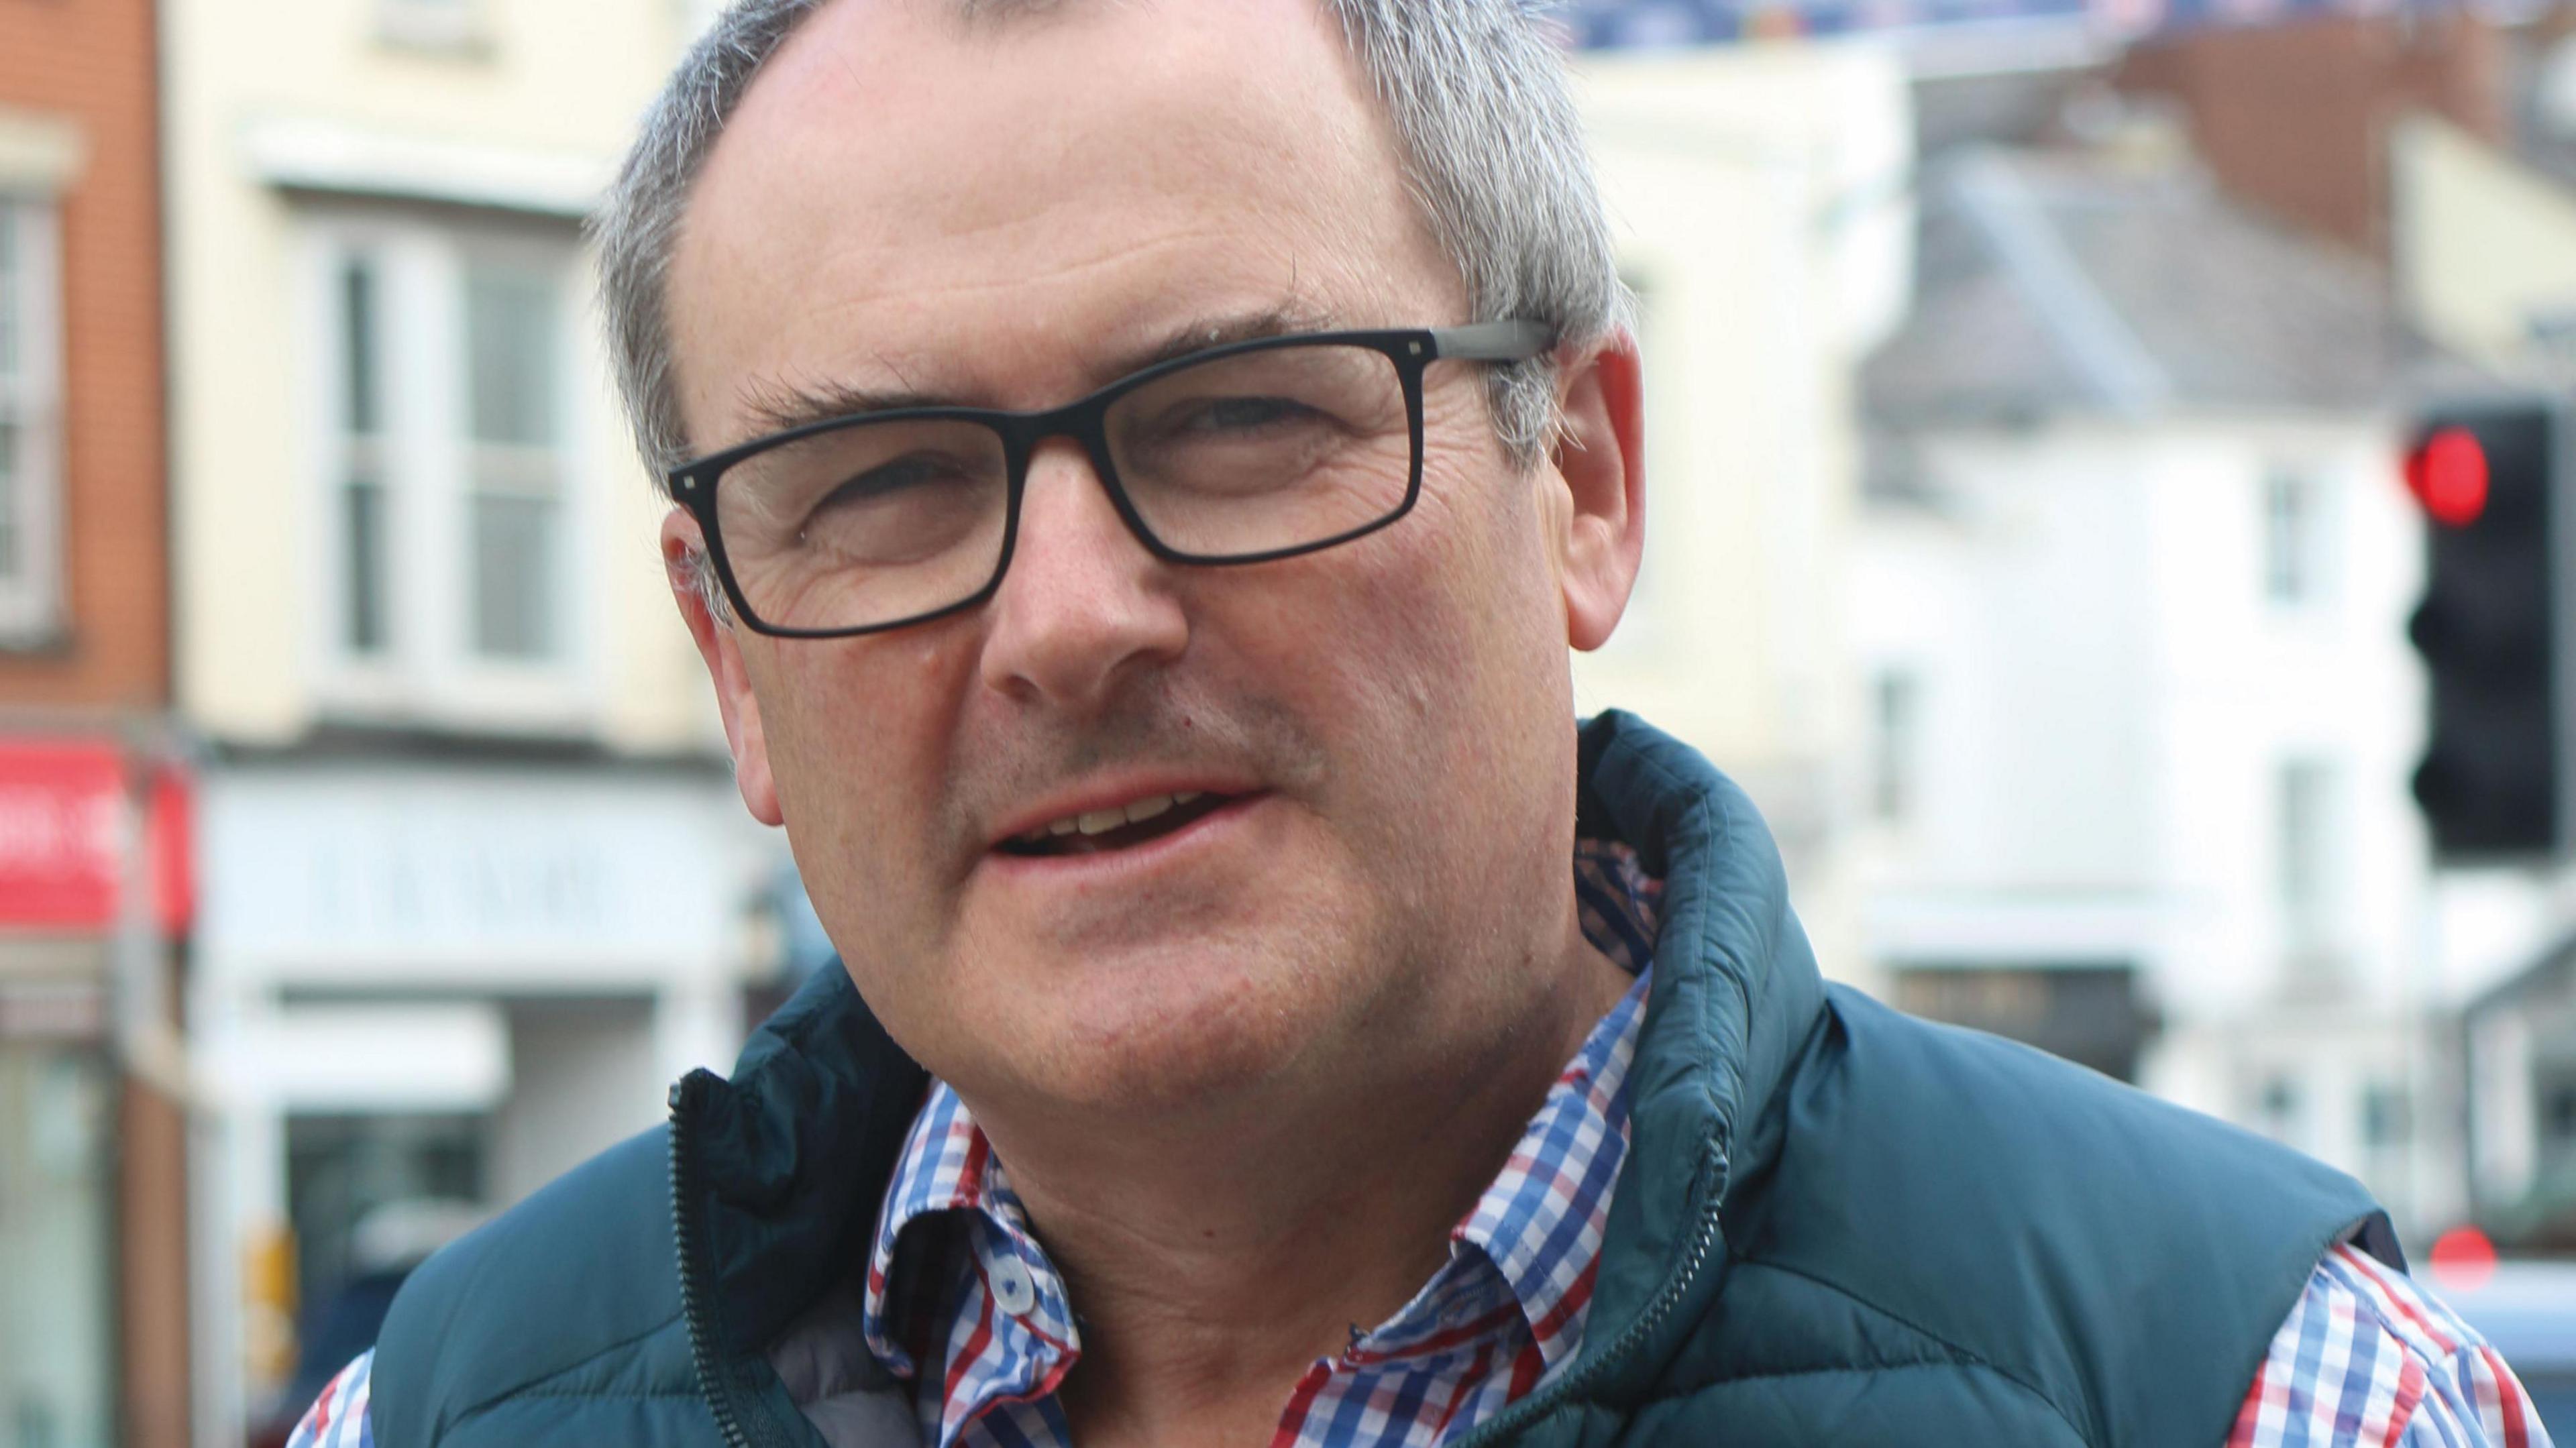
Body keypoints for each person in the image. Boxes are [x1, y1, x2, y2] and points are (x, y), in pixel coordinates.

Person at [286, 1, 2552, 1445]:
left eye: (1243, 416)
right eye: (878, 486)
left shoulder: (2249, 1394)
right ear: (730, 662)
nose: (1069, 623)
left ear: (1579, 482)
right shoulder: (437, 1416)